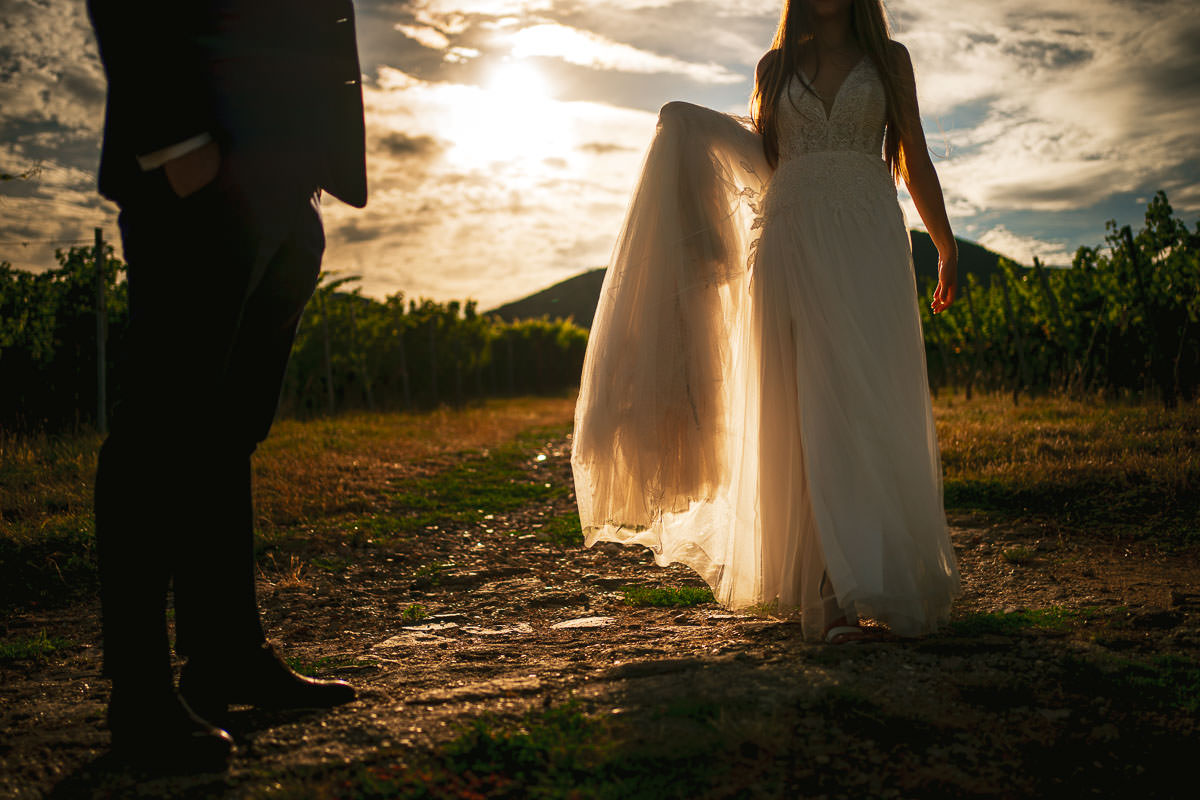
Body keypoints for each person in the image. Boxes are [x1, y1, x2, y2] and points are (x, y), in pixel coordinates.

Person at [571, 0, 961, 644]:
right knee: (805, 404)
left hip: (869, 237)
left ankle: (869, 574)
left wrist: (944, 244)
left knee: (866, 401)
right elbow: (766, 159)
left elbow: (912, 153)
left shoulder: (890, 61)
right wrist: (689, 130)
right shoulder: (773, 67)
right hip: (791, 242)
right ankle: (828, 597)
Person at [87, 0, 367, 771]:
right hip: (202, 168)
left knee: (228, 431)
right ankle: (138, 696)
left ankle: (226, 656)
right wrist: (176, 143)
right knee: (160, 427)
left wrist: (308, 181)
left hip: (288, 181)